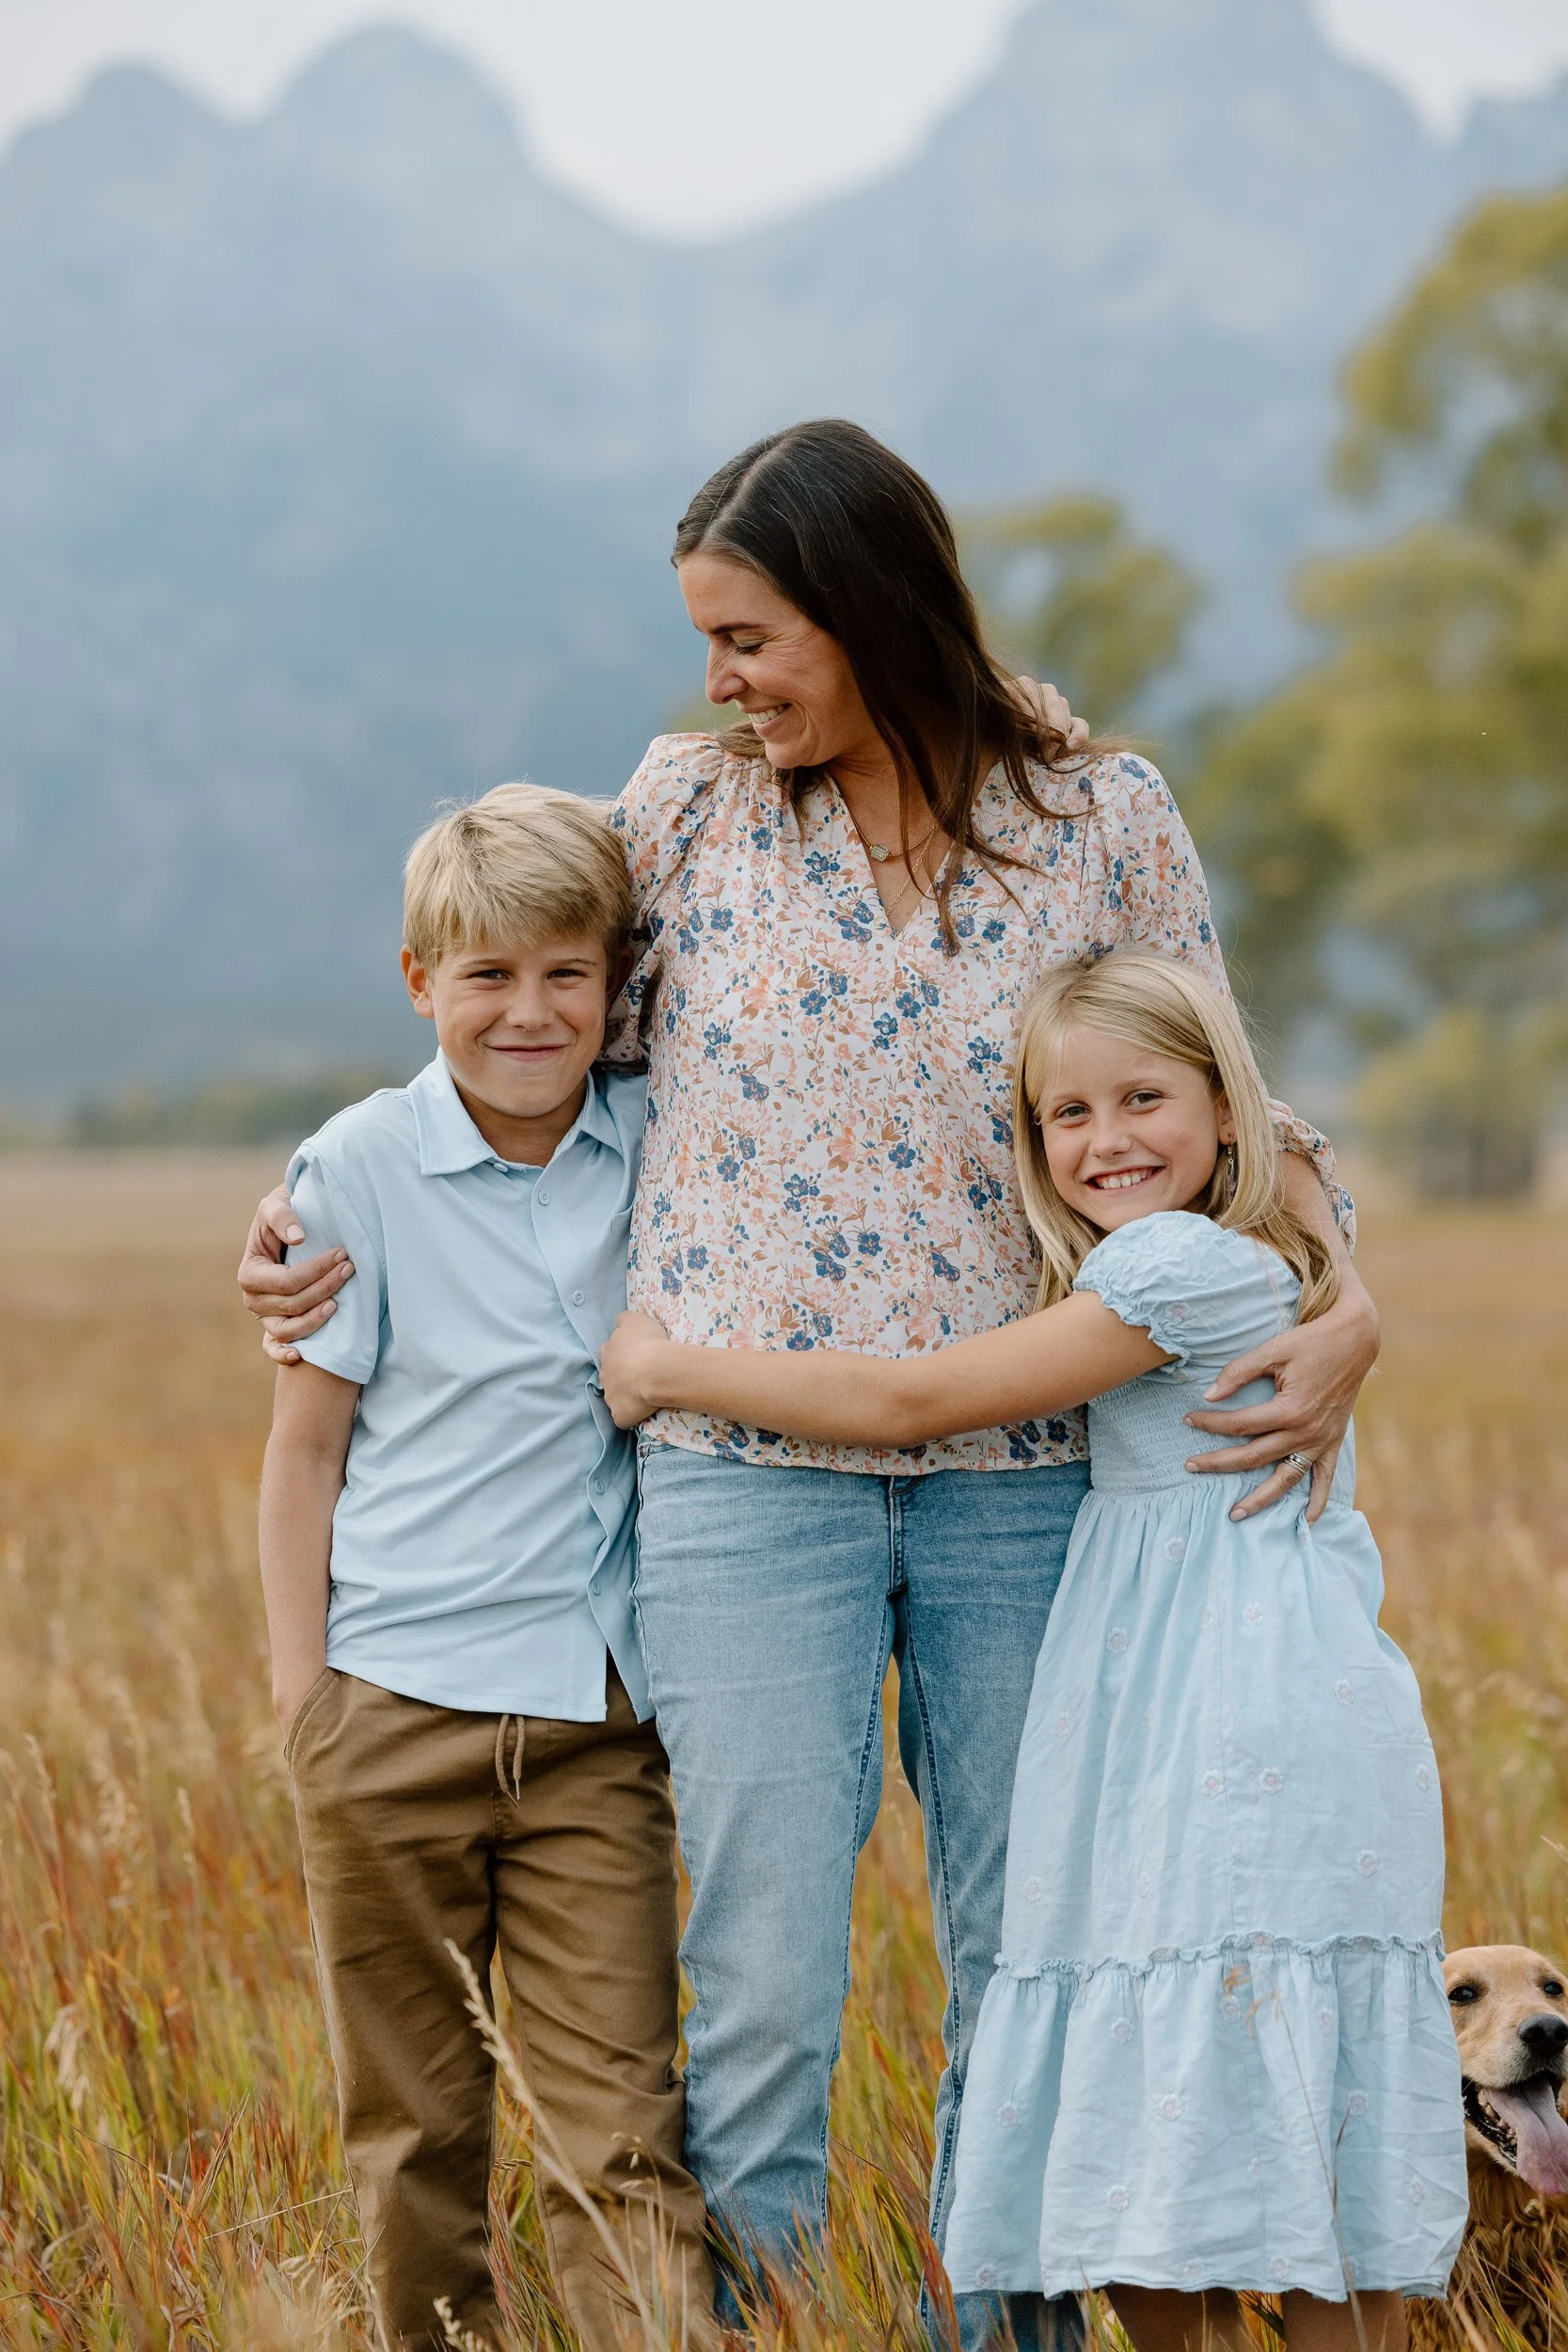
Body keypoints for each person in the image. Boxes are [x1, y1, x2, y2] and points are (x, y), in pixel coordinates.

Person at [240, 420, 1382, 2351]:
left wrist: (1349, 1304)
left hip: (1032, 1469)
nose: (720, 675)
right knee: (763, 1963)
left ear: (862, 612)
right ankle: (764, 2325)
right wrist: (299, 1208)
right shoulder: (684, 812)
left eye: (748, 633)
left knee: (1027, 1942)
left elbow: (1223, 1108)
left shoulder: (1099, 817)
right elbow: (522, 1039)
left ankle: (998, 2325)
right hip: (732, 1479)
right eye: (709, 639)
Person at [599, 948, 1467, 2352]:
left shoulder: (1173, 1264)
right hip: (1261, 1681)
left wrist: (662, 1371)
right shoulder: (1273, 1260)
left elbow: (915, 1400)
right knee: (1265, 2061)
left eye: (1143, 1100)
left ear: (1230, 1116)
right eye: (1068, 1116)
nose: (1107, 1140)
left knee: (1187, 2033)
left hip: (1222, 1706)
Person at [257, 784, 714, 2352]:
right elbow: (304, 1451)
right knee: (413, 2129)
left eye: (566, 976)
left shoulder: (664, 1147)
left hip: (597, 1725)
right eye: (487, 977)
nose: (529, 1013)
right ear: (419, 982)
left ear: (613, 982)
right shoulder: (355, 1170)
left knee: (622, 2124)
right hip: (390, 1715)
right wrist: (304, 1703)